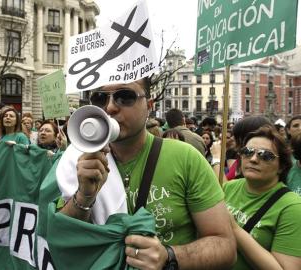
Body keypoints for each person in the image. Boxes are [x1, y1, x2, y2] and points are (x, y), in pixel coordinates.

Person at [57, 78, 236, 269]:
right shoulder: (78, 160)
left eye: (124, 97)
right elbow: (64, 237)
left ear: (149, 106)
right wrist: (84, 196)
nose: (109, 108)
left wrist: (169, 256)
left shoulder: (185, 158)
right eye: (100, 98)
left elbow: (225, 246)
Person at [224, 126, 301, 269]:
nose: (253, 159)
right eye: (247, 152)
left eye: (266, 155)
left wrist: (234, 228)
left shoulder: (293, 207)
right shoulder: (229, 187)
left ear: (281, 166)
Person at [211, 116, 273, 181]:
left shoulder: (254, 162)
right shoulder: (241, 158)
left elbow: (226, 189)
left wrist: (216, 158)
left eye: (237, 136)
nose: (232, 139)